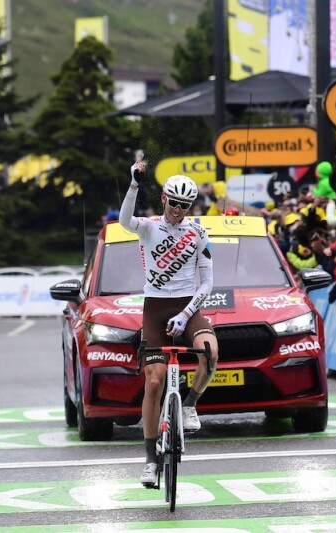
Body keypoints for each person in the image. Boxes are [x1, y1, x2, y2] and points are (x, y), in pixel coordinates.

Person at [118, 157, 219, 486]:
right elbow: (123, 220)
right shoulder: (147, 227)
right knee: (155, 381)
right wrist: (134, 183)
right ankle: (149, 459)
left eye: (185, 205)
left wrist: (188, 313)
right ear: (164, 198)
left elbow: (207, 283)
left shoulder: (198, 232)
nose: (179, 209)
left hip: (187, 308)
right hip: (156, 309)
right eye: (174, 203)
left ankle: (190, 404)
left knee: (210, 352)